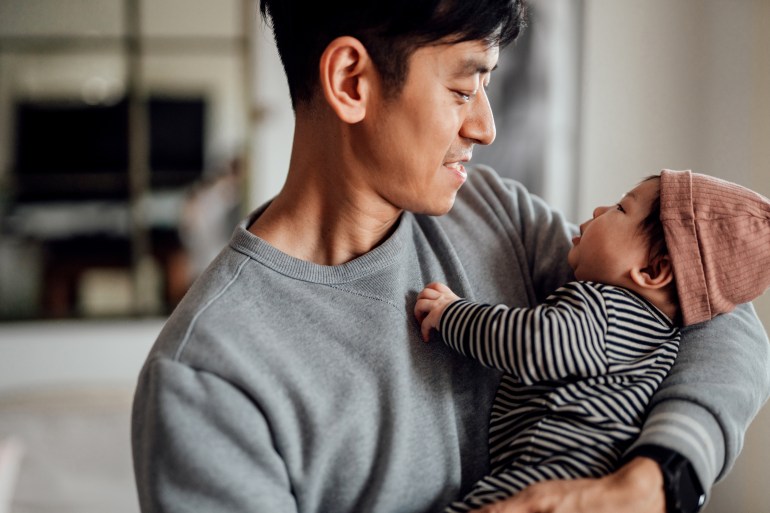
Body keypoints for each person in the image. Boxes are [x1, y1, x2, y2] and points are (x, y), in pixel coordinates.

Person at [131, 1, 770, 512]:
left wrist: (656, 482)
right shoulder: (207, 379)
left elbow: (716, 309)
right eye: (464, 88)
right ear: (351, 81)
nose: (486, 127)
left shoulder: (493, 212)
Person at [415, 170, 770, 511]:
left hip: (550, 477)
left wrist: (452, 314)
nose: (599, 210)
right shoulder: (662, 336)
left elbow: (537, 345)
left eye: (620, 209)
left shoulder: (604, 306)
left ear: (652, 272)